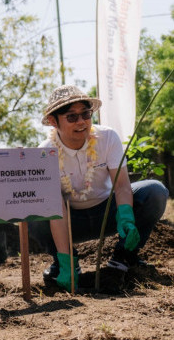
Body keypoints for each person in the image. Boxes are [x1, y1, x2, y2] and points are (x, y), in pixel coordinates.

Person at [29, 85, 169, 290]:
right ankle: (65, 264)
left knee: (155, 191)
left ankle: (123, 260)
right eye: (71, 117)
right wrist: (66, 258)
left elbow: (121, 186)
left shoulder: (108, 137)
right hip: (70, 221)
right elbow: (55, 209)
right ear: (53, 121)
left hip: (107, 213)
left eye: (85, 114)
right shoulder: (44, 153)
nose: (81, 122)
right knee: (32, 212)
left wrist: (127, 217)